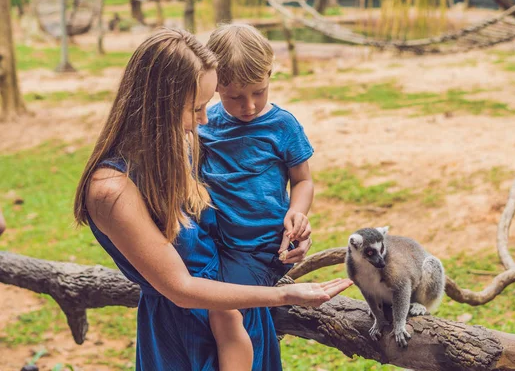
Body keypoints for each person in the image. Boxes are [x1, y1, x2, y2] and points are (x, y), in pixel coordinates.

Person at [73, 27, 352, 371]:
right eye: (198, 107)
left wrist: (288, 232)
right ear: (160, 107)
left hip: (239, 308)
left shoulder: (179, 146)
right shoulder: (111, 191)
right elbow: (180, 287)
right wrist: (284, 295)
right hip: (187, 331)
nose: (206, 120)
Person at [199, 23, 315, 371]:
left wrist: (297, 212)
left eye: (258, 92)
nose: (248, 106)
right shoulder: (205, 122)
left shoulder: (283, 126)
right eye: (234, 96)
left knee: (224, 309)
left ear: (269, 75)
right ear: (214, 83)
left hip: (262, 247)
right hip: (216, 242)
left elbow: (303, 180)